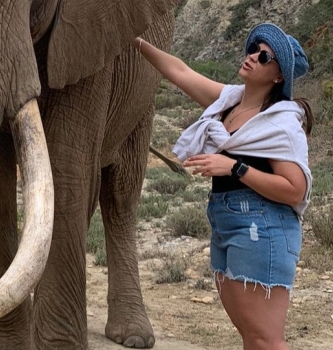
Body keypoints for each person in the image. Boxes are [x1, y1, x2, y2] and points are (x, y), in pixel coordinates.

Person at [134, 22, 313, 350]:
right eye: (253, 49)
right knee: (251, 338)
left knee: (265, 340)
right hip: (229, 224)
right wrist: (136, 41)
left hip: (263, 229)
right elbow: (180, 71)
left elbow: (294, 189)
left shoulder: (282, 123)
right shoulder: (229, 101)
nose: (252, 56)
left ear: (278, 76)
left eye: (264, 57)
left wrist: (234, 166)